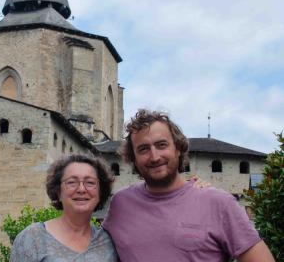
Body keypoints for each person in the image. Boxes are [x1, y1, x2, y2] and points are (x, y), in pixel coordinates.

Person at [102, 109, 275, 262]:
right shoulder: (121, 203)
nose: (154, 157)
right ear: (133, 158)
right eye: (143, 149)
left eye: (161, 145)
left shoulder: (218, 203)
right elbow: (89, 242)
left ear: (178, 148)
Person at [10, 154, 119, 261]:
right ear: (58, 192)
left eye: (90, 183)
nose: (81, 189)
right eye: (72, 182)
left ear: (100, 192)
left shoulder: (108, 242)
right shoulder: (33, 238)